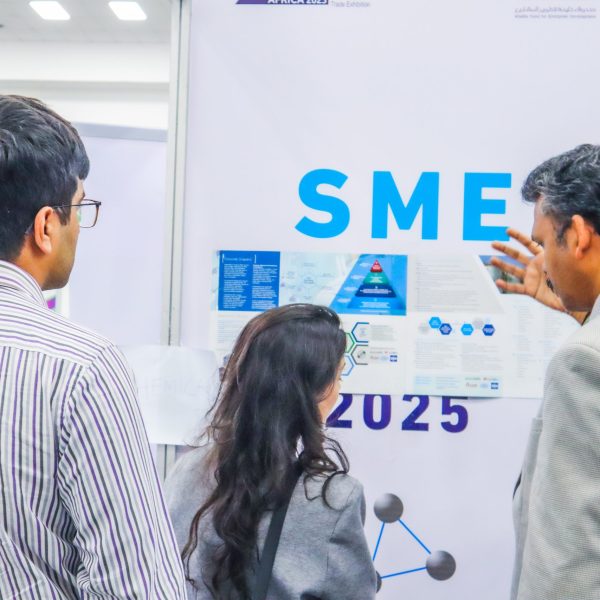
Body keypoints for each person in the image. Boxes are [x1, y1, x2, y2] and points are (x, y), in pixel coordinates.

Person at [0, 95, 186, 598]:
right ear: (46, 226)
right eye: (80, 208)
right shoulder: (80, 367)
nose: (80, 226)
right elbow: (138, 583)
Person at [165, 304, 377, 600]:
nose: (338, 391)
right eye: (338, 376)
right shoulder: (334, 497)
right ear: (312, 391)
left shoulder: (187, 470)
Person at [491, 144, 600, 600]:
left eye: (544, 243)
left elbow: (568, 561)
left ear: (577, 235)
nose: (544, 264)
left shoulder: (583, 363)